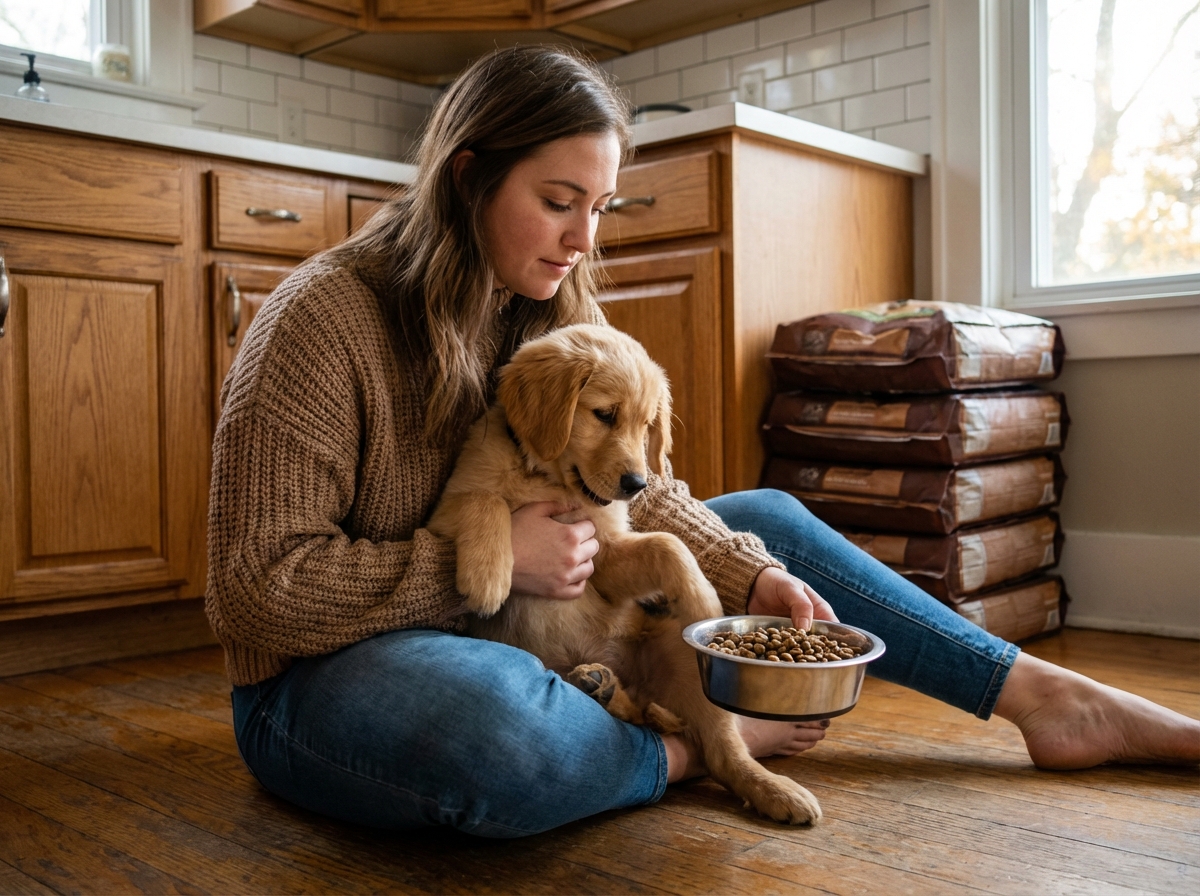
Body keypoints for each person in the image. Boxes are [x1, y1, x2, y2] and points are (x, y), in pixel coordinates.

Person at [205, 45, 1200, 839]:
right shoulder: (319, 323)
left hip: (538, 619)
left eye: (597, 208)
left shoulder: (549, 303)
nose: (581, 239)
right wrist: (485, 556)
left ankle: (1045, 695)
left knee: (763, 521)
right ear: (468, 179)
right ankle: (701, 750)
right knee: (498, 726)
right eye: (558, 202)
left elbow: (648, 493)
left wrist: (743, 569)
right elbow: (254, 587)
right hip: (332, 674)